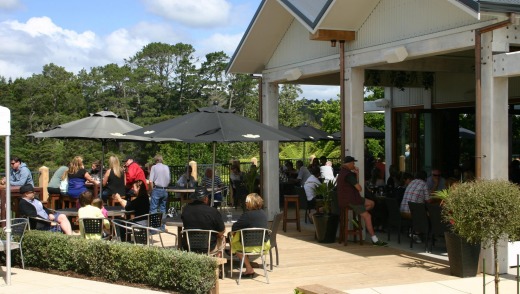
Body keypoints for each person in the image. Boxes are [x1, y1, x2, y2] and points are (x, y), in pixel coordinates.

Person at [336, 156, 387, 246]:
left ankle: (357, 217)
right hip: (352, 200)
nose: (354, 165)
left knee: (371, 203)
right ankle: (374, 239)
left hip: (348, 199)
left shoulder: (342, 172)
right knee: (368, 216)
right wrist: (355, 177)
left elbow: (355, 185)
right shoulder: (348, 174)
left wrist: (357, 174)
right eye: (353, 163)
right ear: (350, 163)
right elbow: (359, 188)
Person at [231, 193, 270, 278]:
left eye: (246, 201)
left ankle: (249, 268)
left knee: (235, 245)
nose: (245, 203)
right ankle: (248, 266)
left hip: (249, 246)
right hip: (263, 244)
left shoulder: (247, 215)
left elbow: (234, 227)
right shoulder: (263, 213)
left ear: (250, 203)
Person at [181, 187, 225, 252]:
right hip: (209, 247)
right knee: (222, 238)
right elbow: (221, 230)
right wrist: (218, 235)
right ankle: (216, 261)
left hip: (189, 246)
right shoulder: (213, 211)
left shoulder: (185, 210)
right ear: (206, 198)